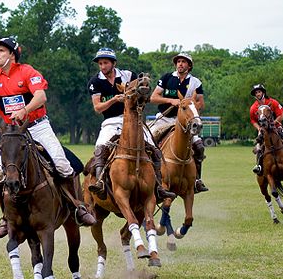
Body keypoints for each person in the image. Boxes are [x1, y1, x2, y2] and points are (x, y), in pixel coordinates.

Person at [0, 21, 96, 239]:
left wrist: (25, 110)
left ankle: (77, 207)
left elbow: (41, 97)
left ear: (12, 54)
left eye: (1, 50)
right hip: (13, 134)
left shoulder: (27, 72)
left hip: (38, 126)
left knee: (62, 164)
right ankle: (6, 217)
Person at [87, 48, 176, 201]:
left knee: (153, 147)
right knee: (100, 147)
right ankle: (101, 182)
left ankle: (159, 186)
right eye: (100, 63)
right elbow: (97, 107)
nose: (102, 66)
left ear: (113, 63)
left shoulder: (128, 75)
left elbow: (142, 94)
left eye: (106, 63)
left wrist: (143, 89)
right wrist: (114, 99)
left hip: (134, 119)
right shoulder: (95, 82)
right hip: (111, 121)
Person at [149, 52, 209, 193]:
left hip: (184, 123)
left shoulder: (195, 82)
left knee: (199, 147)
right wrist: (170, 100)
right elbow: (153, 97)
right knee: (148, 142)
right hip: (164, 119)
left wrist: (190, 106)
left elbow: (201, 103)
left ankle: (197, 180)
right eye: (178, 61)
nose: (180, 64)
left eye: (183, 61)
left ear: (189, 65)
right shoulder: (167, 78)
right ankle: (151, 176)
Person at [249, 84, 283, 174]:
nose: (257, 94)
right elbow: (253, 120)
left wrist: (274, 123)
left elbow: (281, 116)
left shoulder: (273, 102)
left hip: (276, 127)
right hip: (263, 130)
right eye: (256, 93)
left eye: (259, 92)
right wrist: (259, 128)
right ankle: (258, 166)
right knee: (258, 146)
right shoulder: (253, 107)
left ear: (263, 92)